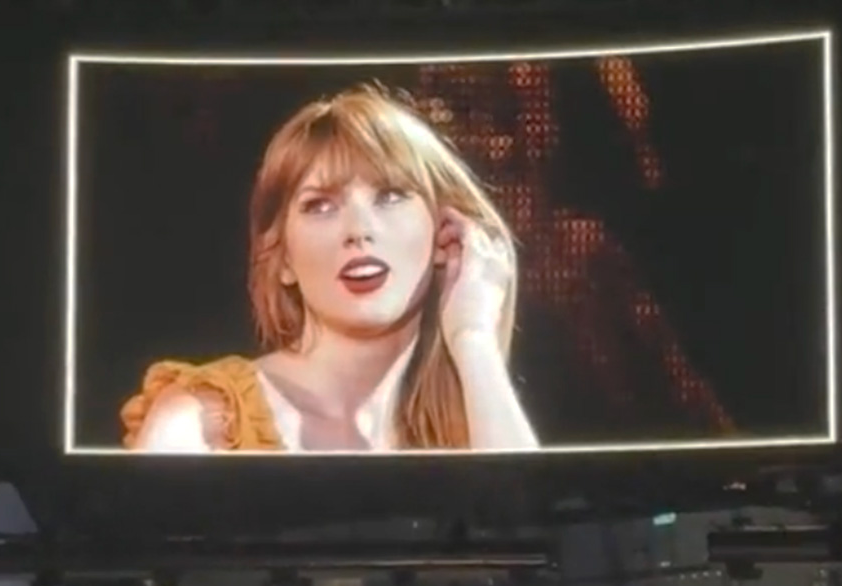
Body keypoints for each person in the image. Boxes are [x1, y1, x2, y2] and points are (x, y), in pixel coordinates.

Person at [120, 84, 540, 453]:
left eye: (390, 196)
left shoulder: (475, 425)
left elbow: (531, 530)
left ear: (445, 234)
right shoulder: (200, 422)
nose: (358, 231)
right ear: (282, 257)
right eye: (320, 205)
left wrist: (473, 338)